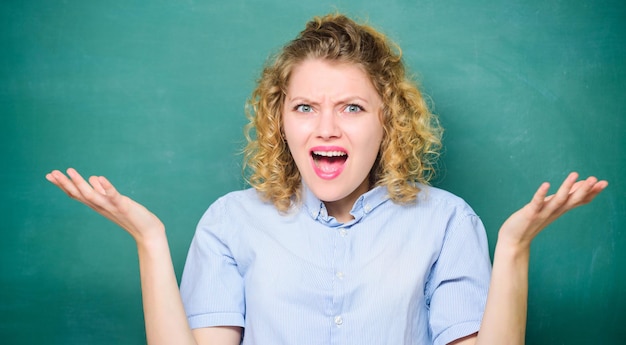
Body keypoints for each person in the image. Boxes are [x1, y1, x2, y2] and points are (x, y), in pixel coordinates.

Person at [46, 13, 607, 345]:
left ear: (389, 119)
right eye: (306, 107)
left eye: (353, 108)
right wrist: (149, 240)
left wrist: (512, 250)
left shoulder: (447, 222)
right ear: (280, 118)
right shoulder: (230, 222)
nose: (326, 129)